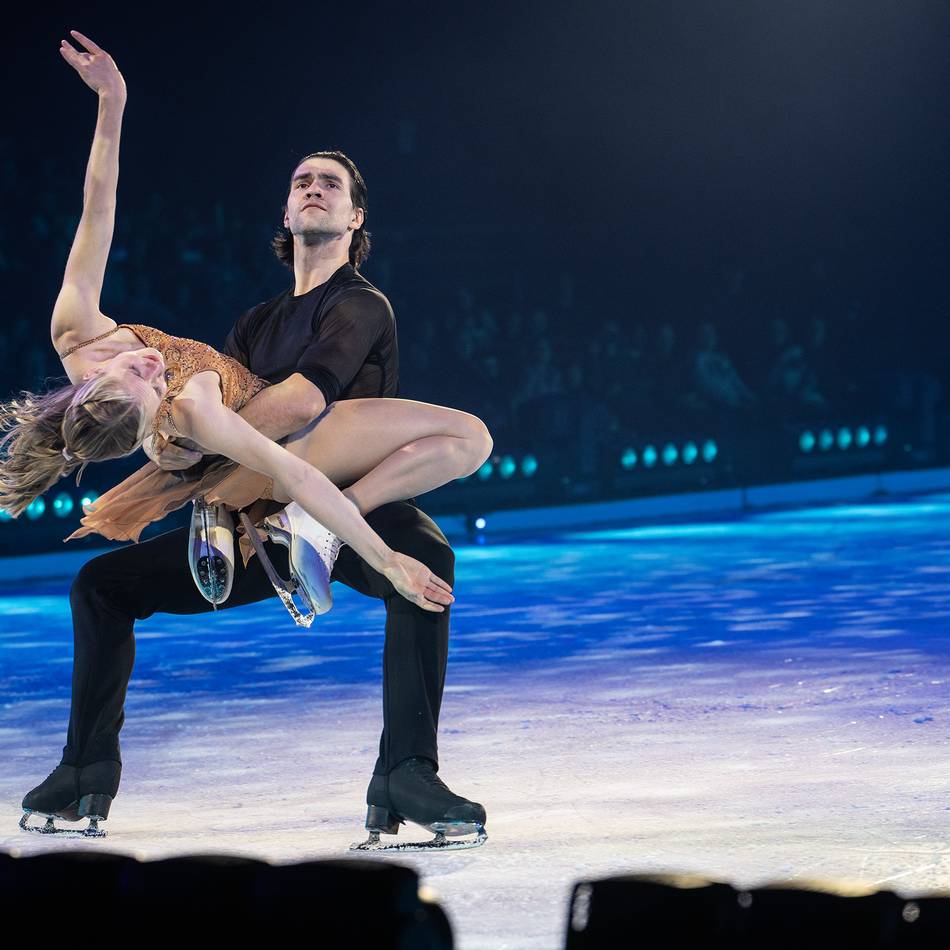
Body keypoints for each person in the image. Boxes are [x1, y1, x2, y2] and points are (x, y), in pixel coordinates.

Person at [14, 32, 490, 849]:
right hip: (254, 519)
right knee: (100, 586)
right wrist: (190, 469)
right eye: (302, 182)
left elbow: (301, 403)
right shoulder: (252, 327)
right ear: (285, 215)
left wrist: (184, 478)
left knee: (424, 559)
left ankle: (405, 775)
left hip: (339, 501)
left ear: (355, 217)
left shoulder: (359, 302)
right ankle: (82, 777)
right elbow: (220, 431)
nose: (313, 188)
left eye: (330, 183)